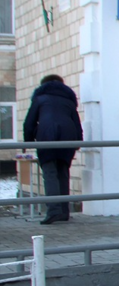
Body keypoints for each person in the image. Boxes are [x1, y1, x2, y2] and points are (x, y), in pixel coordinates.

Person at [23, 74, 84, 225]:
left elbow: (29, 123)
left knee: (50, 173)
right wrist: (77, 142)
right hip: (68, 136)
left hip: (46, 136)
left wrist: (28, 143)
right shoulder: (68, 101)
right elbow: (77, 124)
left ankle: (53, 211)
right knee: (63, 171)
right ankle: (64, 211)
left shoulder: (40, 99)